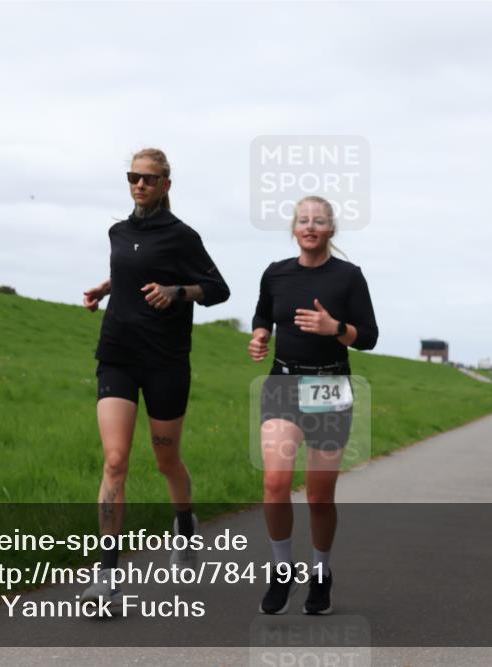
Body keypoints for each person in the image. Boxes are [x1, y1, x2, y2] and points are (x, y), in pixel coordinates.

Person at [80, 148, 230, 605]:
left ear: (166, 184)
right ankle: (107, 576)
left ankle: (184, 523)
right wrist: (107, 288)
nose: (140, 184)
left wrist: (177, 291)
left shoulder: (182, 236)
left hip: (165, 361)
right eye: (133, 177)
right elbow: (130, 268)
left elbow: (218, 289)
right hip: (118, 355)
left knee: (167, 461)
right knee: (115, 460)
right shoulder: (118, 231)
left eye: (148, 178)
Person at [248, 195, 378, 615]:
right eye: (303, 220)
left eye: (318, 221)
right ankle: (281, 569)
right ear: (294, 228)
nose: (310, 226)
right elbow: (263, 314)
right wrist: (260, 336)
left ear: (331, 229)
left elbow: (369, 336)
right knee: (276, 483)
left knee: (320, 497)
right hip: (283, 383)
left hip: (329, 386)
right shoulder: (276, 273)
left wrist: (334, 327)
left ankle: (321, 573)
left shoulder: (349, 277)